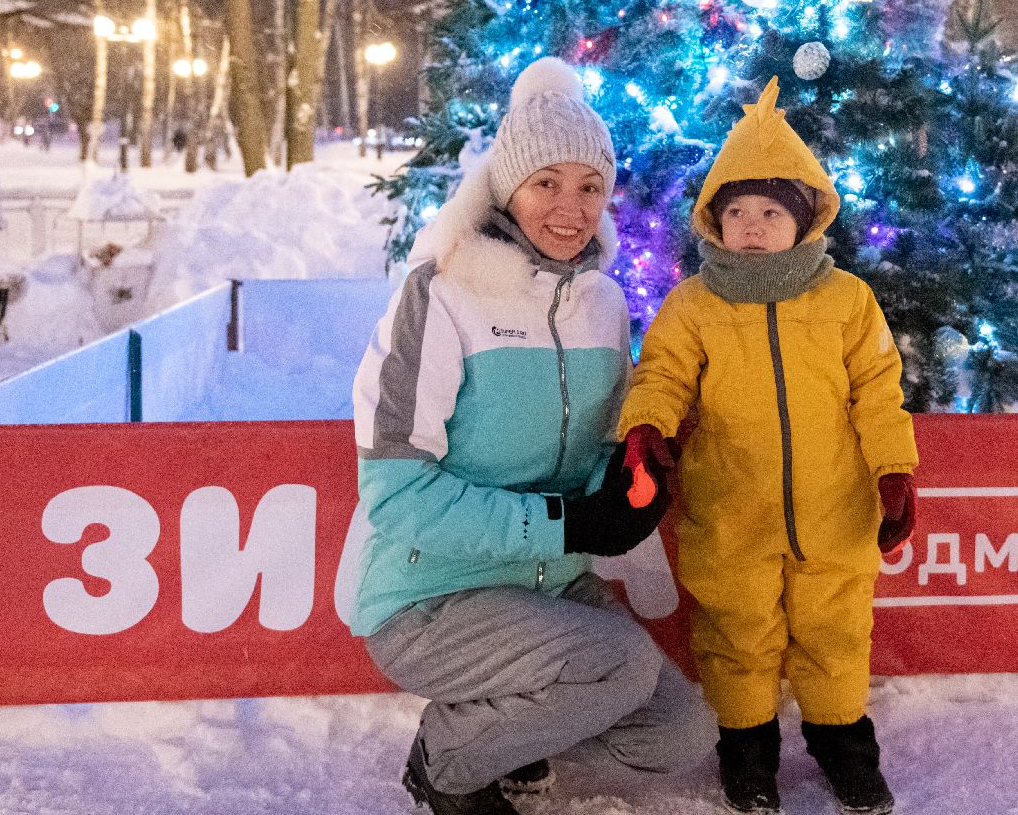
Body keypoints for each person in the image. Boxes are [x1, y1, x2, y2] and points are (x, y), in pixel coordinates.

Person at [351, 57, 715, 815]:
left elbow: (603, 446)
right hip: (433, 595)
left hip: (550, 587)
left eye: (590, 187)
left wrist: (628, 483)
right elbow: (397, 495)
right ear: (507, 187)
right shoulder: (442, 293)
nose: (570, 209)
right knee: (617, 664)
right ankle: (447, 758)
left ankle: (514, 731)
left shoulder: (602, 303)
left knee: (677, 734)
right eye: (546, 182)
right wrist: (569, 524)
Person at [617, 78, 919, 815]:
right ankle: (747, 753)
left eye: (771, 212)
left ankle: (844, 747)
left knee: (834, 632)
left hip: (834, 508)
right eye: (737, 212)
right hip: (732, 508)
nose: (752, 226)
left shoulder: (846, 299)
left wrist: (893, 470)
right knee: (736, 632)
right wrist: (647, 428)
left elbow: (878, 390)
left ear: (804, 218)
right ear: (714, 220)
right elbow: (662, 374)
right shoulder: (694, 303)